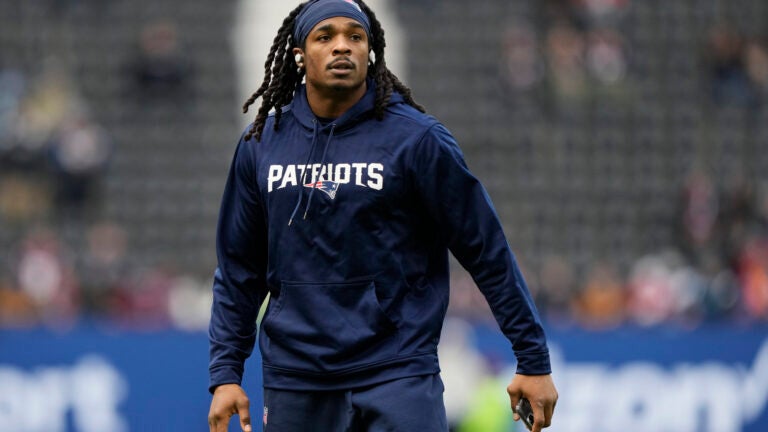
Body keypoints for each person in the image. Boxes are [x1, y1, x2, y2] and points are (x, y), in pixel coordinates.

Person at [207, 1, 558, 431]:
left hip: (397, 372)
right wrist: (225, 374)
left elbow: (486, 249)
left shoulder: (417, 139)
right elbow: (238, 270)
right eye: (326, 36)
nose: (342, 47)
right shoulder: (261, 143)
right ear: (299, 53)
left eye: (355, 37)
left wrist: (533, 359)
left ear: (370, 51)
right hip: (297, 380)